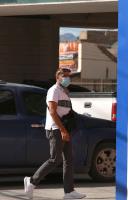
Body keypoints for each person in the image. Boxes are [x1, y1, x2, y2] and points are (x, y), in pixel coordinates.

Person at [24, 68, 86, 199]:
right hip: (55, 129)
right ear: (58, 77)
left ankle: (69, 192)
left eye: (69, 76)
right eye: (65, 76)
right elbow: (52, 112)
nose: (67, 78)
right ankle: (31, 181)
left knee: (69, 160)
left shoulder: (64, 91)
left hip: (64, 129)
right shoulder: (53, 91)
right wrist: (63, 130)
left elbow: (65, 111)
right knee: (55, 159)